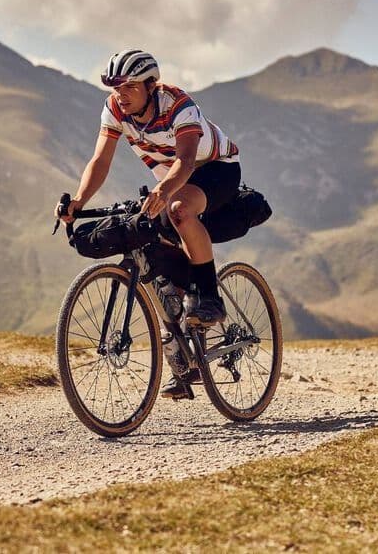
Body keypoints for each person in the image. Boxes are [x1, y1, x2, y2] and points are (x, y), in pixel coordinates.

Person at [56, 49, 242, 399]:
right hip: (171, 179)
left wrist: (162, 190)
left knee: (178, 211)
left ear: (150, 85)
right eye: (114, 88)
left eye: (128, 87)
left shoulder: (177, 105)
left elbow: (186, 160)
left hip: (214, 170)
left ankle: (210, 298)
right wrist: (78, 202)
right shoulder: (114, 110)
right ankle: (184, 362)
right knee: (159, 266)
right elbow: (100, 160)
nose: (120, 95)